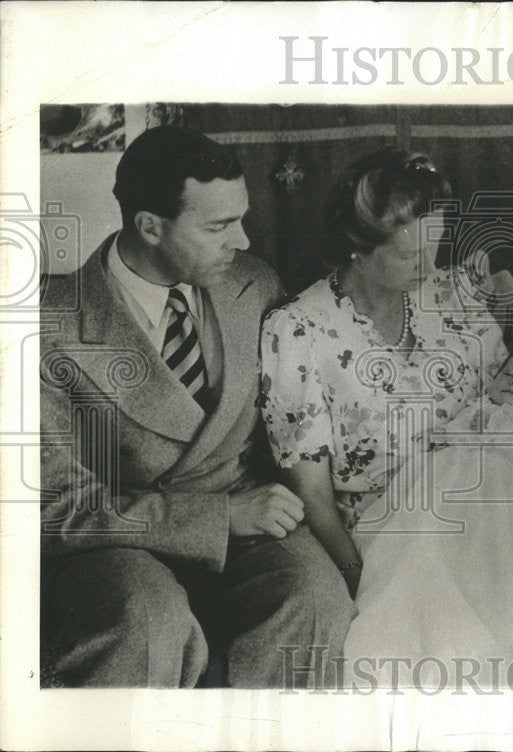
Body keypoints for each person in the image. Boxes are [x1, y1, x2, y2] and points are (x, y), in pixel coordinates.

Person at [259, 148, 513, 689]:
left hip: (487, 509)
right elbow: (315, 499)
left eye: (434, 248)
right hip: (386, 528)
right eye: (408, 258)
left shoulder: (454, 291)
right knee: (460, 634)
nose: (427, 269)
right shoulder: (297, 331)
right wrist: (358, 578)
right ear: (357, 250)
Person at [39, 125, 354, 688]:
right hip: (116, 542)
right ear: (150, 227)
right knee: (147, 619)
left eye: (241, 218)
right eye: (218, 226)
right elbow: (51, 508)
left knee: (315, 594)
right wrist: (217, 519)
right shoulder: (49, 328)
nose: (243, 242)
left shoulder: (254, 286)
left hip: (247, 522)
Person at [345, 353, 513, 688]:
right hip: (449, 480)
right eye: (509, 374)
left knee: (496, 554)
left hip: (503, 492)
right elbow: (446, 437)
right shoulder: (477, 407)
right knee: (423, 527)